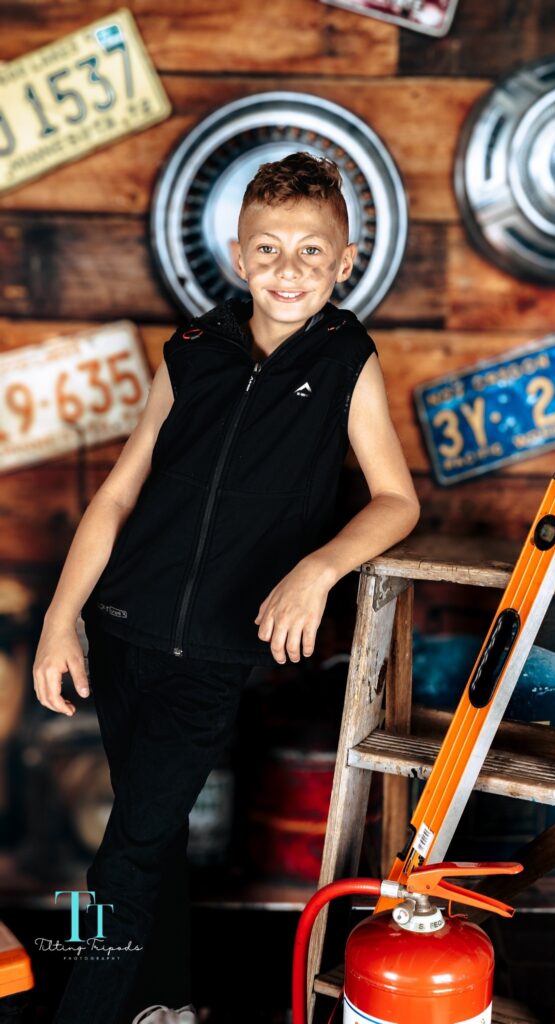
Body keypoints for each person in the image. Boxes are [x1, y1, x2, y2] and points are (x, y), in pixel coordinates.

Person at [33, 151, 421, 1024]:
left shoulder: (347, 361)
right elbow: (119, 495)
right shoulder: (194, 351)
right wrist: (63, 619)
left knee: (125, 857)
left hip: (210, 648)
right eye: (270, 250)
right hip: (125, 629)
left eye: (311, 252)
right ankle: (163, 1006)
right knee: (150, 829)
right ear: (239, 256)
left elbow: (397, 500)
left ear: (344, 260)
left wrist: (317, 568)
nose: (289, 270)